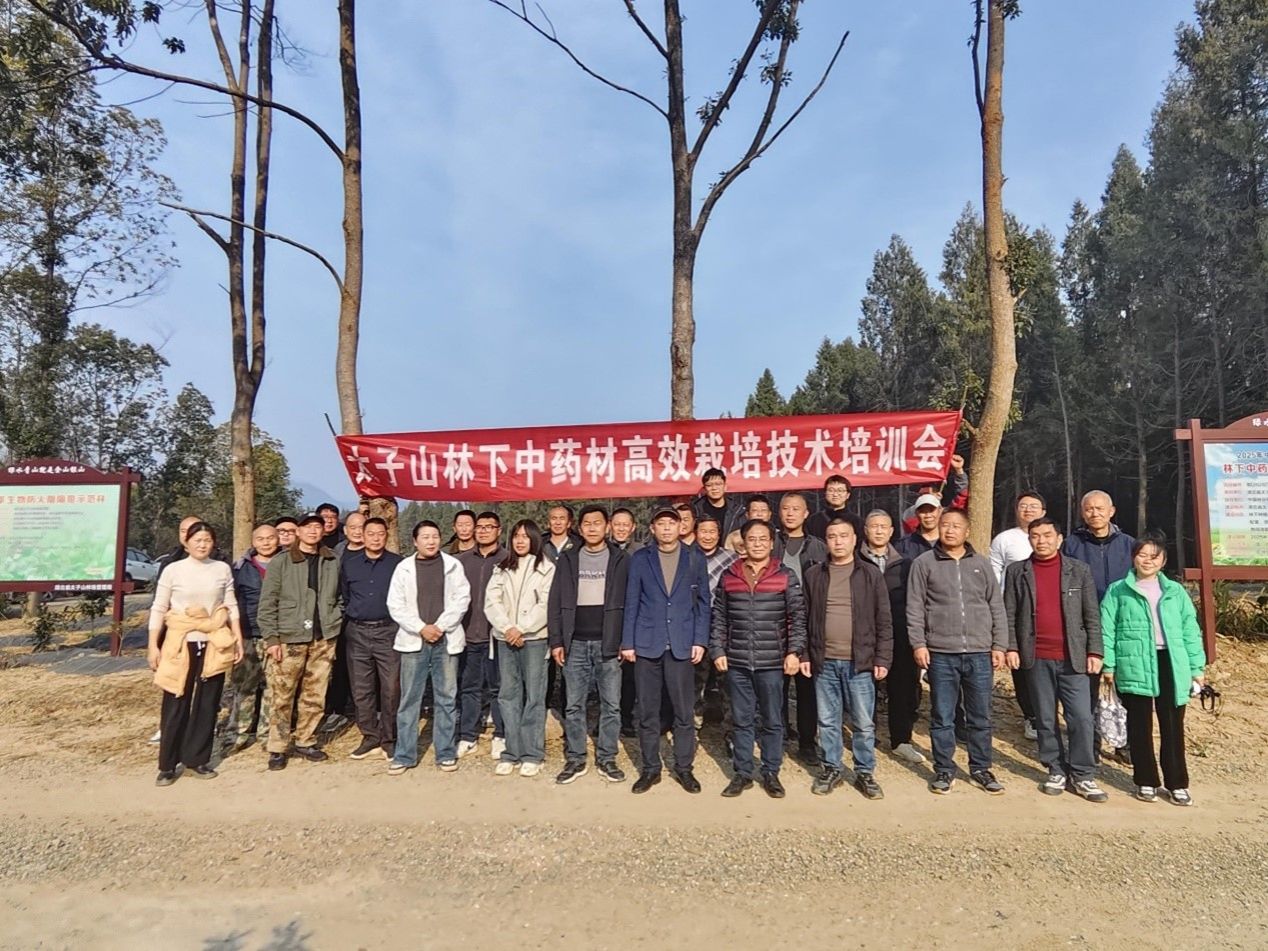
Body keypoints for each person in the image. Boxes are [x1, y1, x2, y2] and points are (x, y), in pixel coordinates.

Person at [1003, 517, 1108, 802]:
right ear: (1029, 540)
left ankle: (1083, 774)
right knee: (1045, 718)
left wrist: (1095, 651)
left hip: (1073, 658)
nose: (1042, 541)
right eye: (1035, 536)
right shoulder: (1017, 571)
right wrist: (1011, 647)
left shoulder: (1079, 570)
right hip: (1036, 657)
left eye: (1048, 535)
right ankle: (1056, 769)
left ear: (1059, 539)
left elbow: (1091, 615)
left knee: (1081, 718)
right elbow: (1009, 613)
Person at [907, 509, 1010, 795]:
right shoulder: (924, 563)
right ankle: (944, 769)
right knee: (943, 716)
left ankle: (981, 768)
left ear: (967, 531)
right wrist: (918, 643)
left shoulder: (981, 564)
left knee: (980, 716)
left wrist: (999, 645)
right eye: (945, 525)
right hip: (940, 652)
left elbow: (996, 605)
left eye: (956, 526)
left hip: (980, 652)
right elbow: (914, 607)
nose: (950, 530)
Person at [1100, 536, 1207, 805]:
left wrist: (1197, 667)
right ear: (1133, 557)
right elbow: (1106, 630)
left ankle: (1177, 784)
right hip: (1133, 661)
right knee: (1139, 725)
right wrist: (1109, 665)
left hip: (1171, 662)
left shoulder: (1175, 591)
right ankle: (1145, 781)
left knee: (1172, 726)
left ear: (1163, 561)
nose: (1147, 561)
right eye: (1142, 555)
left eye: (1154, 556)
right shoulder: (1118, 590)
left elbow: (1190, 630)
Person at [710, 518, 807, 799]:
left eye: (763, 539)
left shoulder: (784, 575)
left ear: (772, 543)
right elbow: (719, 617)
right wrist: (718, 650)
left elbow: (797, 617)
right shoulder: (729, 576)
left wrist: (794, 652)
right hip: (738, 660)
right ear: (743, 543)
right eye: (751, 539)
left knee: (772, 720)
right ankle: (742, 772)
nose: (757, 544)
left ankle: (771, 772)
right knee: (741, 720)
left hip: (772, 661)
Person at [622, 507, 711, 794]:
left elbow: (703, 603)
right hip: (647, 643)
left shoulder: (694, 557)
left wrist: (700, 640)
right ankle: (650, 769)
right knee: (648, 711)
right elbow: (632, 601)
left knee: (684, 712)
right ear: (653, 528)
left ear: (681, 527)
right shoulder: (641, 559)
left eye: (672, 523)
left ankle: (684, 768)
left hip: (682, 644)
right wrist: (628, 642)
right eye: (661, 524)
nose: (667, 528)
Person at [803, 518, 893, 799]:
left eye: (844, 535)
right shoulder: (814, 575)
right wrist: (804, 654)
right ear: (826, 541)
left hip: (860, 662)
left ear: (855, 540)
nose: (838, 541)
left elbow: (884, 619)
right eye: (832, 536)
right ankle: (831, 768)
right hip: (824, 660)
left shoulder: (870, 574)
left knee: (863, 722)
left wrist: (883, 658)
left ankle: (865, 772)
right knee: (828, 721)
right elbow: (804, 617)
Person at [148, 521, 243, 785]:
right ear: (186, 542)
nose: (202, 545)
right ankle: (168, 764)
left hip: (213, 641)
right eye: (197, 540)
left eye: (207, 540)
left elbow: (231, 605)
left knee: (207, 702)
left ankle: (197, 759)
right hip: (180, 643)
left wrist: (237, 638)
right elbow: (159, 607)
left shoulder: (221, 569)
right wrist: (153, 645)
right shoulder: (173, 570)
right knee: (176, 699)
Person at [256, 512, 343, 772]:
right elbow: (267, 602)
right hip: (289, 637)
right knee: (282, 695)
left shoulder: (332, 560)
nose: (313, 531)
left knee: (315, 693)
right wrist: (272, 638)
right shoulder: (282, 561)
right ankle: (278, 746)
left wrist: (335, 617)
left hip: (323, 638)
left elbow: (340, 595)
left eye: (317, 527)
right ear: (298, 532)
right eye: (308, 527)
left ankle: (306, 740)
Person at [549, 505, 630, 785]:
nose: (592, 528)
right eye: (587, 523)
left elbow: (630, 602)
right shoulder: (568, 558)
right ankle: (576, 758)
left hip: (609, 643)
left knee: (611, 705)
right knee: (574, 705)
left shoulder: (621, 559)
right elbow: (555, 602)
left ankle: (607, 757)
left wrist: (624, 640)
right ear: (579, 528)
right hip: (575, 643)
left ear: (607, 527)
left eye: (597, 523)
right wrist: (557, 640)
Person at [385, 520, 471, 775]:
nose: (431, 541)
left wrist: (440, 627)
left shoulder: (453, 565)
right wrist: (421, 627)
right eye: (425, 537)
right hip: (414, 641)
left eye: (435, 536)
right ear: (415, 541)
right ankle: (404, 754)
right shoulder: (403, 568)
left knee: (446, 698)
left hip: (445, 639)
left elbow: (461, 599)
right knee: (409, 700)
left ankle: (445, 753)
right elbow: (395, 604)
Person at [1063, 489, 1137, 764]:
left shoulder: (1129, 544)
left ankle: (1126, 745)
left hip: (1123, 625)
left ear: (1111, 511)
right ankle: (1090, 746)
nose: (1094, 513)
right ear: (1083, 513)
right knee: (1088, 690)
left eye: (1099, 508)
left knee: (1127, 686)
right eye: (1089, 509)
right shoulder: (1072, 545)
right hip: (1085, 626)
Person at [485, 520, 555, 777]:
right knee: (508, 694)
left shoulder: (547, 568)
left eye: (525, 536)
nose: (520, 541)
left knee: (534, 696)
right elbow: (491, 601)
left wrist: (522, 629)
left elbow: (546, 604)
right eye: (516, 536)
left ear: (534, 539)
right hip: (505, 638)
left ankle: (532, 753)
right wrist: (507, 628)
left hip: (534, 639)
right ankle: (511, 752)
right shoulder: (501, 568)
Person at [858, 509, 924, 764]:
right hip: (864, 635)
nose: (878, 531)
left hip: (899, 634)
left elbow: (916, 601)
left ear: (891, 531)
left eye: (883, 527)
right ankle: (867, 737)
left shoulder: (906, 564)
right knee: (864, 688)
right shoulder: (855, 561)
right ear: (865, 530)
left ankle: (901, 740)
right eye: (873, 526)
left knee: (902, 688)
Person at [340, 516, 404, 760]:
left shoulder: (398, 564)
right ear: (362, 536)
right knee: (361, 688)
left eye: (380, 534)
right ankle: (369, 736)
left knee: (391, 688)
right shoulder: (349, 564)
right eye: (371, 534)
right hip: (357, 631)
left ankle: (390, 738)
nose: (376, 538)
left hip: (388, 631)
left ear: (386, 535)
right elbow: (344, 595)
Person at [773, 491, 829, 765]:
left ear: (806, 514)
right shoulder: (769, 543)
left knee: (807, 689)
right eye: (786, 508)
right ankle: (779, 737)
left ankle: (807, 743)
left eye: (796, 509)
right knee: (776, 687)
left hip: (808, 626)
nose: (790, 513)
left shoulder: (819, 547)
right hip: (774, 625)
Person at [989, 490, 1049, 740]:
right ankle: (1030, 716)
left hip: (1047, 609)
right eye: (1023, 506)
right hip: (1016, 608)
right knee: (1021, 662)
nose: (1028, 510)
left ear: (1043, 511)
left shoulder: (1053, 536)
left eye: (1034, 506)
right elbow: (995, 574)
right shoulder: (1005, 539)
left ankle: (1047, 714)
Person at [222, 522, 279, 753]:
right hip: (247, 634)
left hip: (277, 636)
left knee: (273, 689)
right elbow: (231, 601)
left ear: (278, 539)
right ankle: (237, 734)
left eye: (270, 538)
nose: (266, 543)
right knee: (244, 688)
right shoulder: (240, 568)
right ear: (253, 542)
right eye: (261, 539)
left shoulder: (286, 563)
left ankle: (267, 734)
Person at [456, 512, 507, 760]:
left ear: (499, 530)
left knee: (499, 688)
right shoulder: (461, 561)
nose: (484, 531)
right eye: (480, 527)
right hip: (467, 635)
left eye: (489, 527)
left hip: (497, 636)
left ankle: (501, 734)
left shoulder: (509, 559)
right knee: (469, 687)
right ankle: (468, 735)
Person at [695, 514, 737, 730]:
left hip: (723, 623)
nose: (708, 536)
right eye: (703, 531)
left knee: (726, 679)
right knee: (695, 678)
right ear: (695, 533)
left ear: (719, 534)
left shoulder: (732, 559)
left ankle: (730, 730)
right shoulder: (687, 557)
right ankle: (692, 723)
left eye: (712, 532)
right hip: (695, 624)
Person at [899, 454, 968, 536]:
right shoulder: (910, 515)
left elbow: (962, 497)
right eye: (924, 494)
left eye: (931, 493)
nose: (928, 515)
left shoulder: (946, 514)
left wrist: (959, 471)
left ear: (940, 494)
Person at [806, 475, 863, 542]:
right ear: (825, 493)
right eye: (831, 490)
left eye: (840, 490)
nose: (835, 494)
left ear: (848, 495)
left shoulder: (857, 522)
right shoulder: (813, 520)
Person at [692, 467, 745, 538]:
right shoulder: (695, 510)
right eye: (709, 485)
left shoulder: (737, 509)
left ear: (725, 487)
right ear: (704, 489)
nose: (714, 488)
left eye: (718, 484)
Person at [895, 492, 942, 562]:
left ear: (939, 511)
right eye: (923, 511)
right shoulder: (904, 544)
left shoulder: (950, 540)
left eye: (931, 510)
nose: (928, 515)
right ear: (916, 513)